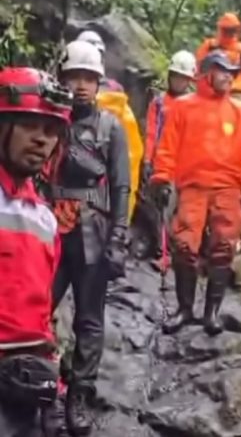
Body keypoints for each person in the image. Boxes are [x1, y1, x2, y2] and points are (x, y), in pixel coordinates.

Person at [150, 49, 241, 336]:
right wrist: (161, 177)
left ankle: (212, 313)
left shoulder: (239, 109)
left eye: (232, 72)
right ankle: (185, 309)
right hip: (193, 185)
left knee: (223, 245)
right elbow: (167, 146)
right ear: (207, 73)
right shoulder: (182, 107)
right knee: (184, 244)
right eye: (223, 71)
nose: (229, 77)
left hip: (228, 187)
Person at [47, 39, 130, 435]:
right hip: (48, 226)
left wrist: (119, 238)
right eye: (73, 77)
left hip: (91, 230)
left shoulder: (111, 127)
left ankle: (80, 393)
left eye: (88, 78)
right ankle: (39, 380)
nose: (80, 85)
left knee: (89, 317)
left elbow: (121, 186)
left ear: (99, 84)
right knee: (37, 304)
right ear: (61, 79)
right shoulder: (49, 120)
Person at [0, 67, 72, 436]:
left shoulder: (43, 218)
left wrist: (56, 390)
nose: (42, 140)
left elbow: (42, 314)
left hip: (27, 383)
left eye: (51, 132)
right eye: (31, 126)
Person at [74, 30, 143, 223]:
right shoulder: (61, 102)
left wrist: (120, 224)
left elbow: (129, 161)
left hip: (96, 204)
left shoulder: (116, 105)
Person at [142, 50, 196, 183]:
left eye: (183, 78)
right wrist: (147, 160)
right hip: (158, 164)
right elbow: (151, 133)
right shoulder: (159, 102)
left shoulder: (193, 106)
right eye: (176, 76)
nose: (178, 81)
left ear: (189, 80)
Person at [195, 13, 241, 104]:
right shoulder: (209, 46)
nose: (229, 33)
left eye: (232, 30)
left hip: (236, 94)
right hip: (211, 92)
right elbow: (198, 70)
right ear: (220, 29)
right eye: (227, 30)